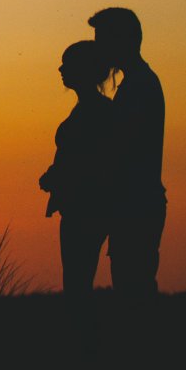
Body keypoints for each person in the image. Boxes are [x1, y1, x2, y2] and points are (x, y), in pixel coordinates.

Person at [90, 6, 166, 297]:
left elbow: (121, 147)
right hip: (135, 204)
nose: (98, 48)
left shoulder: (140, 85)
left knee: (133, 290)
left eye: (102, 40)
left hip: (137, 206)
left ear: (119, 40)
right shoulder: (136, 83)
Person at [40, 40, 116, 299]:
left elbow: (93, 162)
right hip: (77, 208)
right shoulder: (89, 110)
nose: (61, 69)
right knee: (76, 282)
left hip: (86, 210)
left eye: (68, 64)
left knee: (77, 284)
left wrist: (59, 177)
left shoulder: (98, 111)